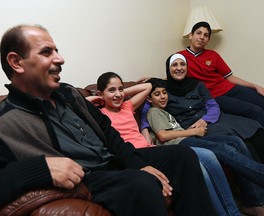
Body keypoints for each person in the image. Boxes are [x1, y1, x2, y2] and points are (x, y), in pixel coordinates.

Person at [0, 25, 217, 216]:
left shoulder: (69, 94)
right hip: (91, 177)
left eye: (57, 50)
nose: (60, 59)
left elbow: (108, 132)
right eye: (46, 52)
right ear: (16, 62)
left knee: (183, 156)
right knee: (141, 184)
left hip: (116, 160)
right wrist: (39, 169)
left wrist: (137, 163)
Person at [94, 71, 241, 216]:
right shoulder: (99, 114)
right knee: (190, 157)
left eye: (120, 89)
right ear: (101, 94)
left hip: (150, 149)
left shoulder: (127, 106)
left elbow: (148, 87)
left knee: (199, 162)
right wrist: (96, 99)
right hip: (132, 154)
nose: (118, 94)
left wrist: (119, 92)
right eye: (111, 90)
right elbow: (79, 104)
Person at [146, 77, 264, 216]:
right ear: (149, 98)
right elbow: (163, 136)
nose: (162, 97)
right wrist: (194, 131)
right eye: (157, 94)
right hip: (179, 143)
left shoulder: (165, 111)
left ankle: (254, 200)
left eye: (164, 92)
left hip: (187, 139)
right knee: (224, 150)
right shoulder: (153, 112)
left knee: (234, 141)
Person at [178, 21, 264, 127]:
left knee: (261, 100)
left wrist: (255, 86)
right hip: (215, 96)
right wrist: (152, 82)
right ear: (191, 36)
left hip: (231, 88)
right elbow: (173, 77)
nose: (202, 37)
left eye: (206, 35)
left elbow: (229, 77)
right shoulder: (180, 58)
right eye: (198, 33)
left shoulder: (213, 55)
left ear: (208, 40)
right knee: (256, 111)